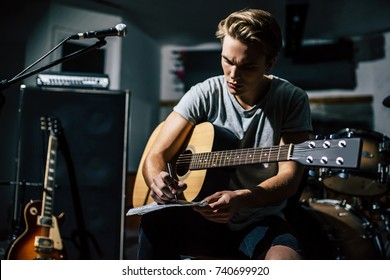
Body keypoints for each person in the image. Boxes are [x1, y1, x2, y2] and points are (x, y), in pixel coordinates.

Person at [136, 8, 312, 260]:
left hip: (258, 218)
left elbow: (289, 178)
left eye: (247, 67)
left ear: (269, 63)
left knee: (286, 261)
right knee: (154, 225)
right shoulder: (203, 93)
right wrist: (157, 179)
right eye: (227, 61)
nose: (233, 75)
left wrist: (241, 199)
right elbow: (157, 154)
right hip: (197, 215)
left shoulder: (291, 99)